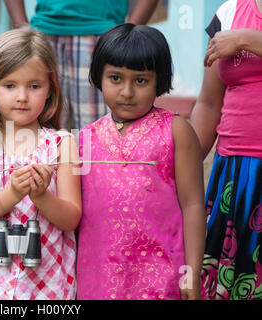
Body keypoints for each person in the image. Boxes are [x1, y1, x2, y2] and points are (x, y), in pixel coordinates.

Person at [0, 28, 82, 300]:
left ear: (50, 88)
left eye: (34, 86)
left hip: (46, 280)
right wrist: (13, 193)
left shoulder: (62, 144)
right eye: (9, 86)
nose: (22, 96)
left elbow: (71, 218)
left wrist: (41, 195)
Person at [76, 23, 206, 300]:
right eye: (115, 78)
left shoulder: (176, 132)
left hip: (162, 277)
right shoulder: (84, 139)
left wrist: (191, 273)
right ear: (98, 76)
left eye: (140, 80)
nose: (126, 92)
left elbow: (193, 204)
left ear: (159, 81)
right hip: (99, 279)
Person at [190, 0, 262, 300]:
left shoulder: (238, 32)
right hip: (235, 174)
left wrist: (246, 39)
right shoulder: (228, 12)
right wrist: (177, 169)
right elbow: (208, 105)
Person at [4, 0, 158, 130]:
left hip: (101, 34)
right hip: (44, 36)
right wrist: (21, 27)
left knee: (99, 136)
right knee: (39, 132)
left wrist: (126, 36)